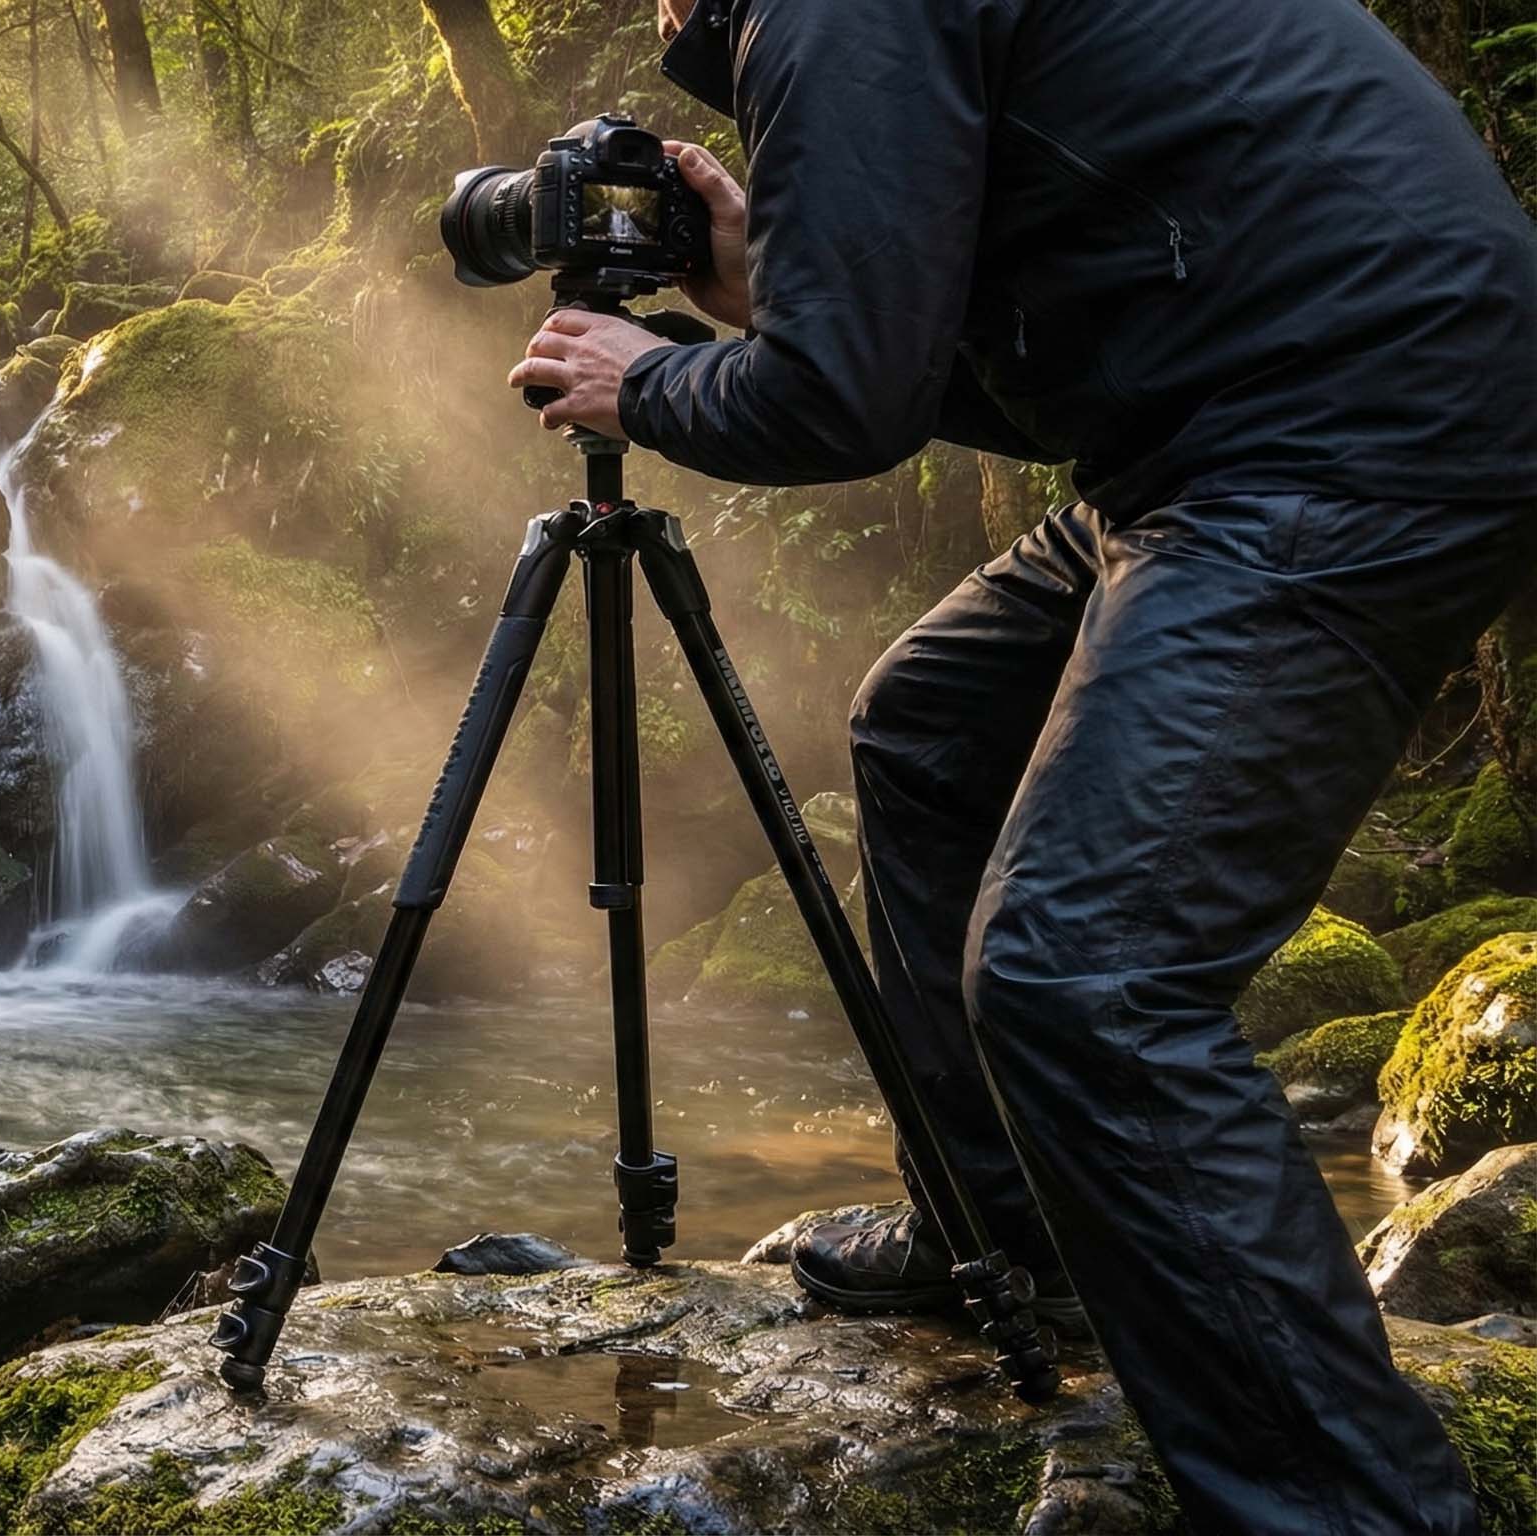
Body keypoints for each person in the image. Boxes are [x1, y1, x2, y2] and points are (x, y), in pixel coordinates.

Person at [505, 0, 1537, 1530]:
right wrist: (757, 291)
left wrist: (645, 381)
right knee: (930, 724)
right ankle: (1004, 1238)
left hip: (1345, 431)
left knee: (1089, 982)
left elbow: (843, 404)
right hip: (1233, 422)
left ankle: (1358, 1513)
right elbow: (978, 357)